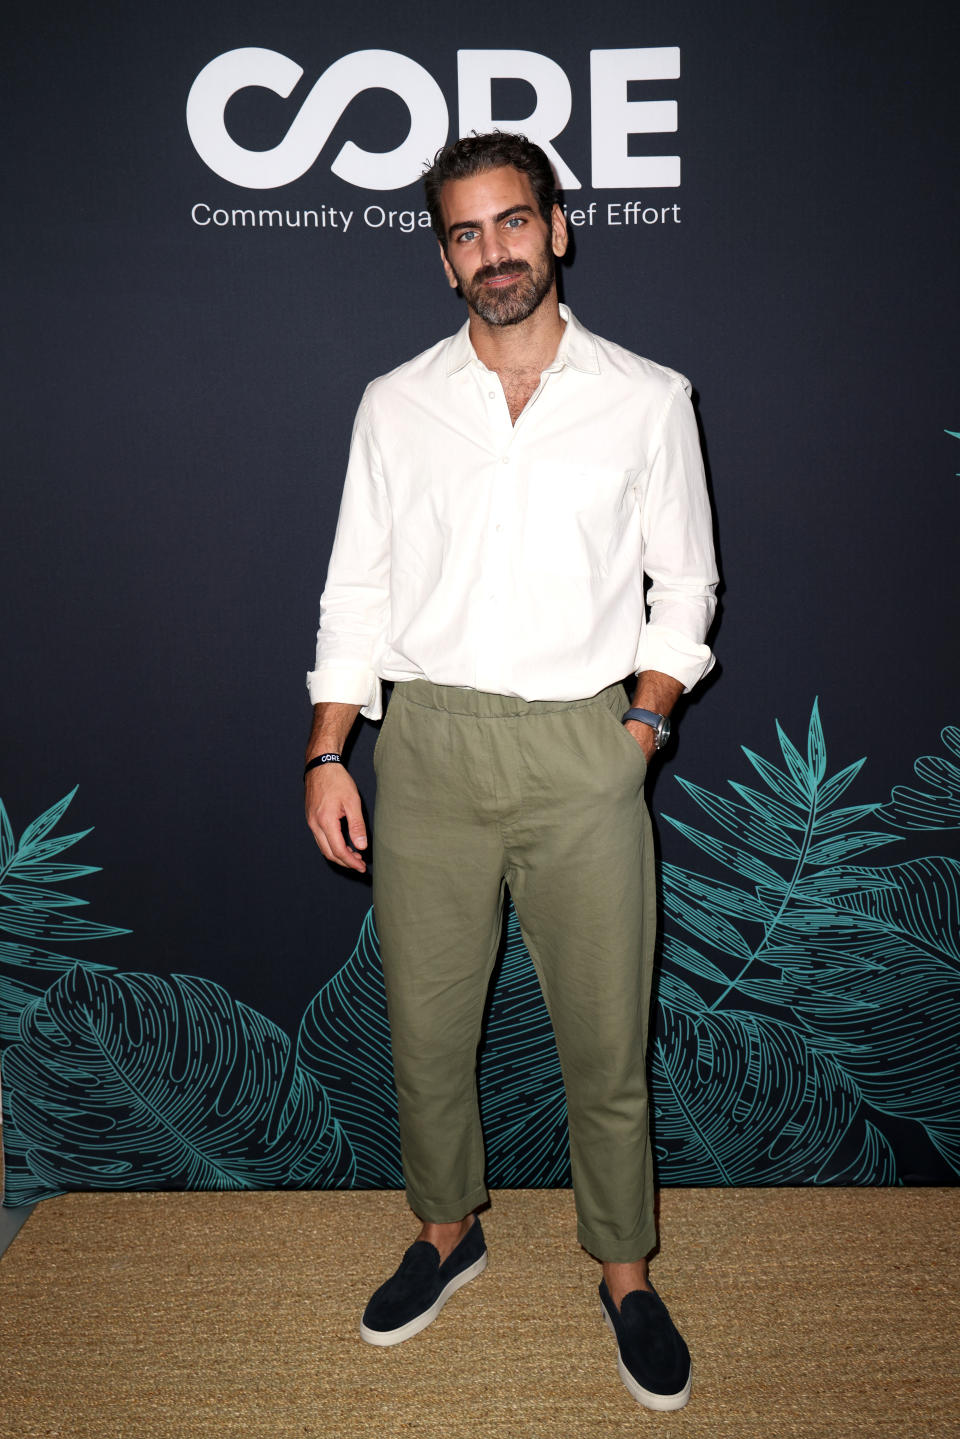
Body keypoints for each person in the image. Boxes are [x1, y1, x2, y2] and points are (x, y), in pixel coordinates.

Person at [304, 131, 717, 1413]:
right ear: (446, 257)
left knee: (606, 1036)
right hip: (424, 744)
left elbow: (683, 583)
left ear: (558, 229)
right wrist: (329, 745)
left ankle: (626, 1269)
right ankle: (447, 1232)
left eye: (513, 224)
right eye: (467, 234)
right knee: (426, 1023)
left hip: (584, 744)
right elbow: (356, 587)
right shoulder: (395, 403)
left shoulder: (649, 398)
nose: (495, 252)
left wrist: (640, 730)